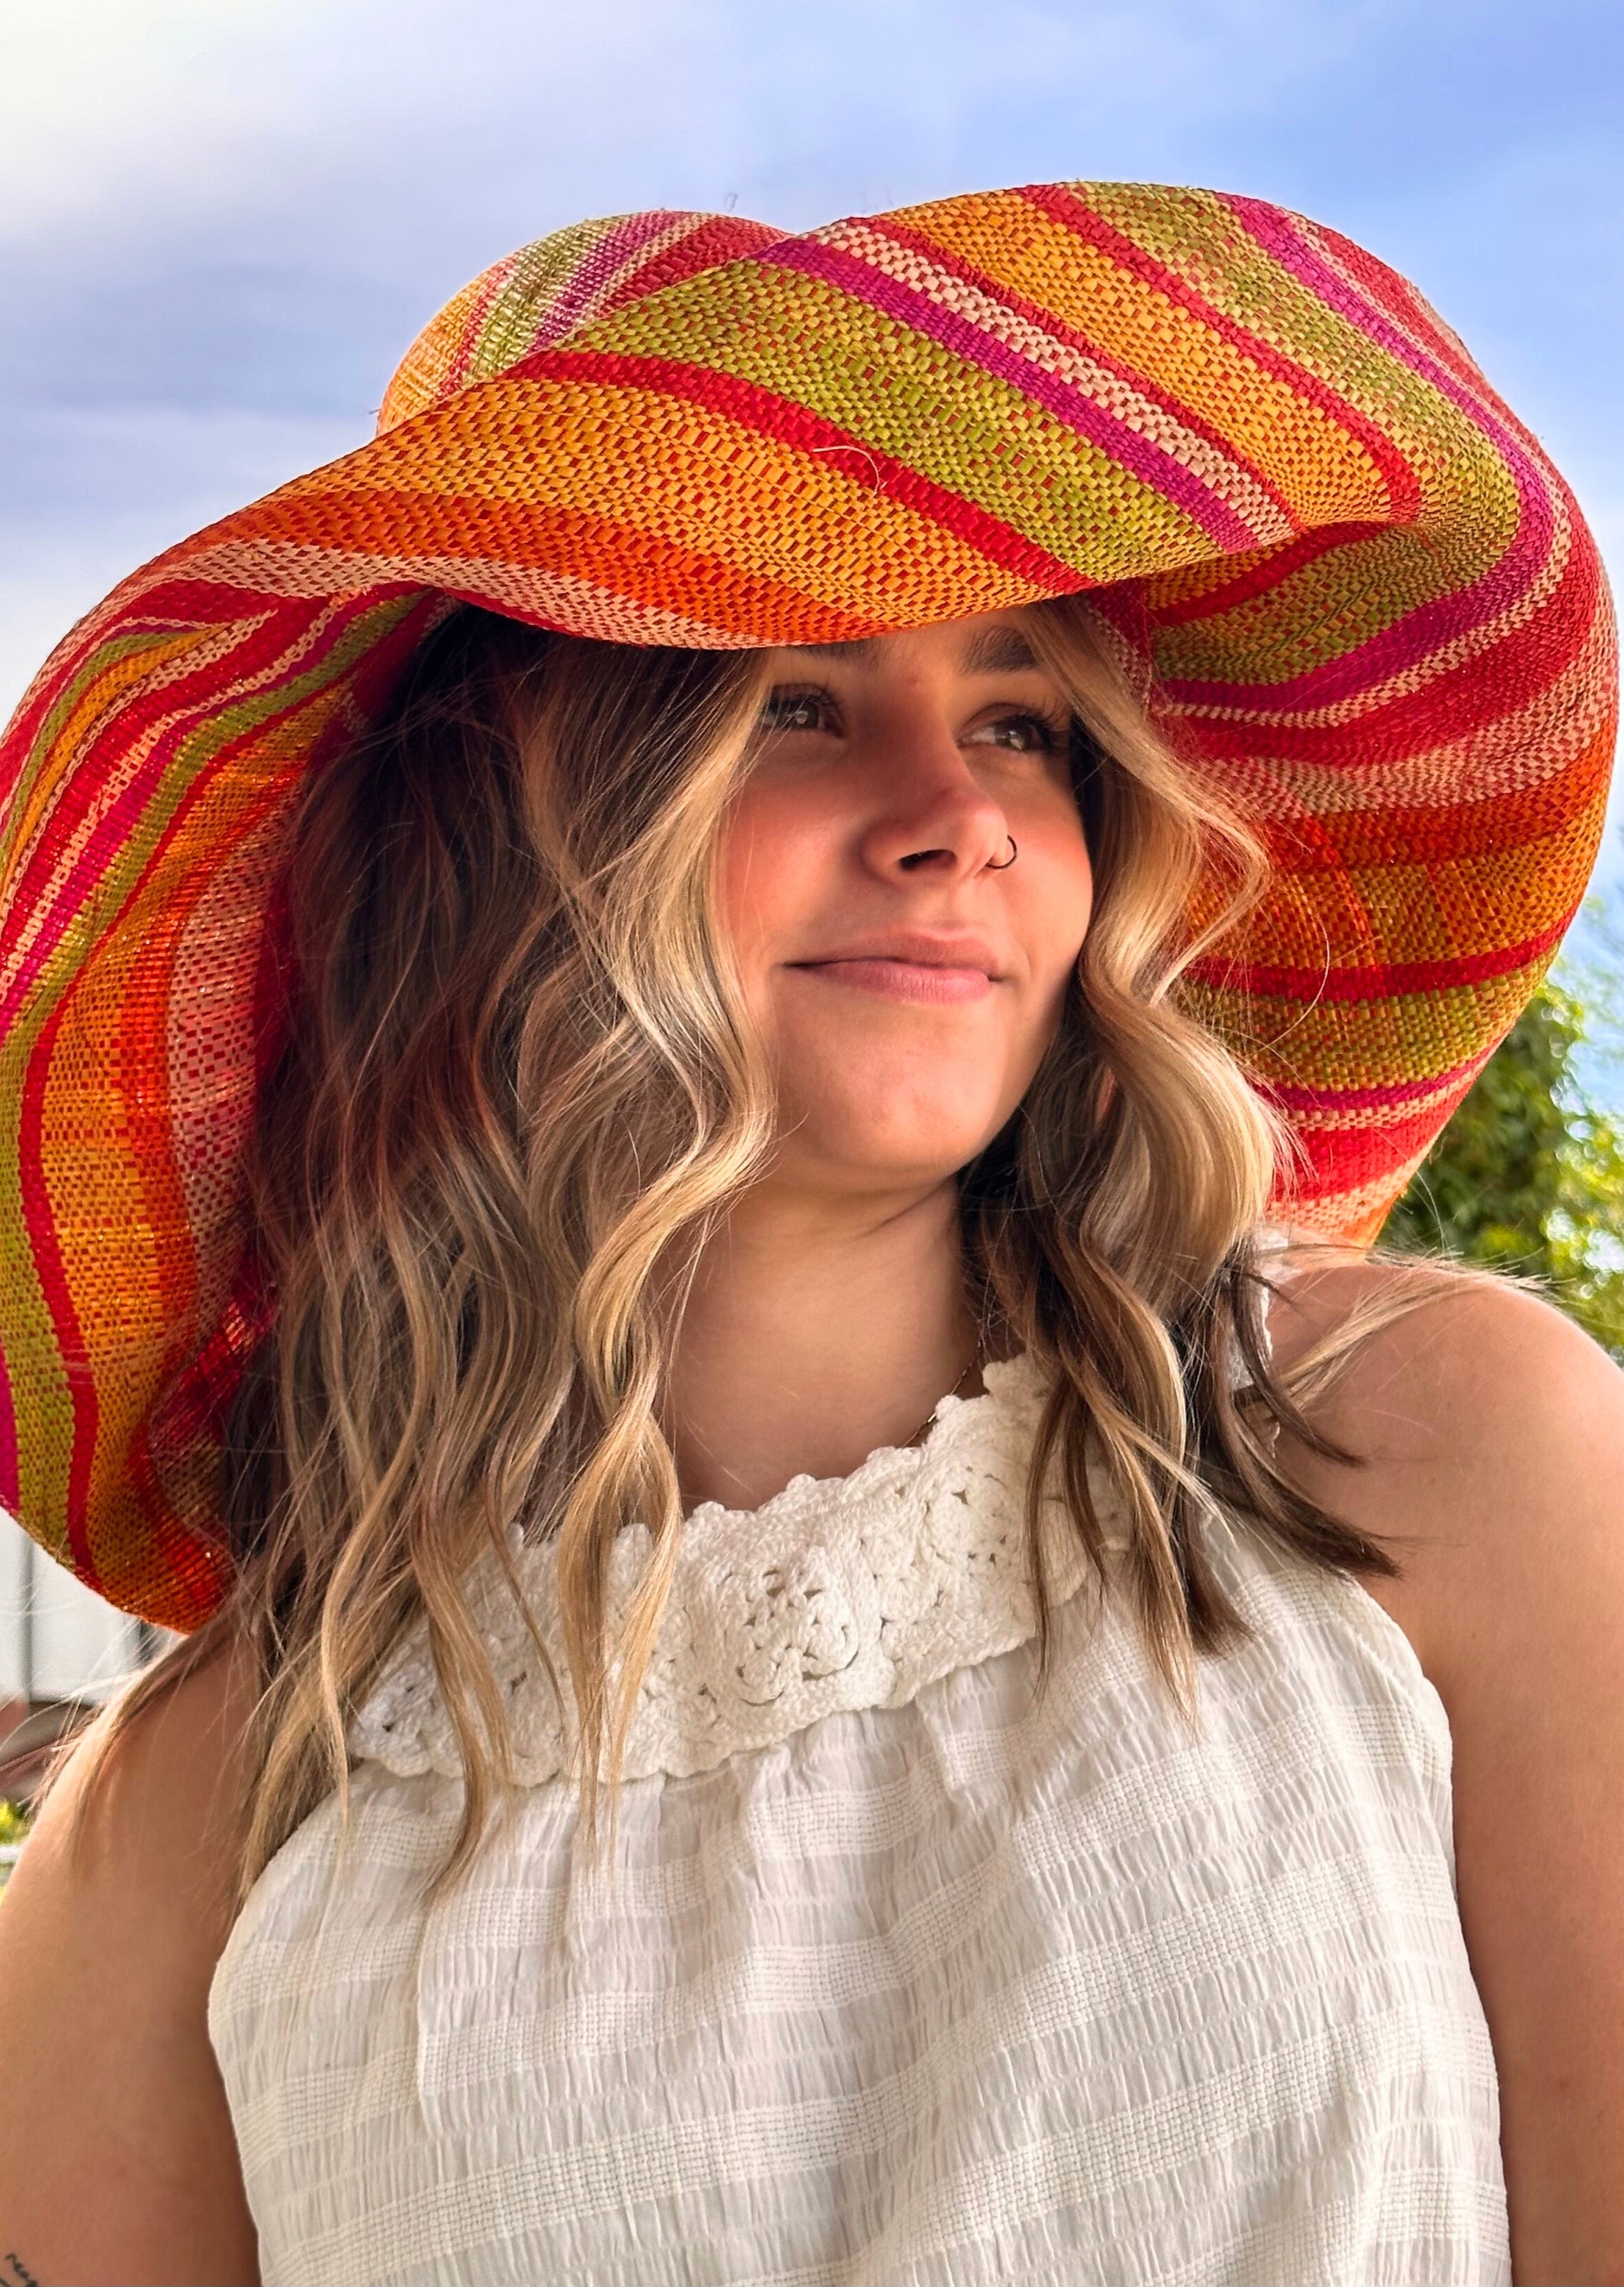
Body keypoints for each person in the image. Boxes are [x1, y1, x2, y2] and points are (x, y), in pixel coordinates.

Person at [0, 184, 1618, 2287]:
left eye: (1022, 718)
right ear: (513, 815)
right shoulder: (211, 1803)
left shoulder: (1426, 1455)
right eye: (795, 702)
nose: (961, 813)